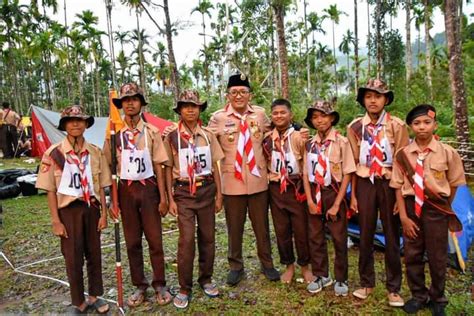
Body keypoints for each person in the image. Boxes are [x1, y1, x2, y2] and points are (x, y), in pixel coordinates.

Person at [390, 104, 466, 316]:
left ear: (435, 125)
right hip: (411, 209)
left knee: (437, 256)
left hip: (436, 211)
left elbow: (453, 184)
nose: (422, 127)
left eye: (426, 122)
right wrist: (404, 217)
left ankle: (438, 298)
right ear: (411, 127)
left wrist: (444, 207)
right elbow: (397, 186)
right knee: (412, 254)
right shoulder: (402, 155)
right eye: (416, 123)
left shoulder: (448, 153)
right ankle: (418, 295)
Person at [35, 105, 111, 314]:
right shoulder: (54, 153)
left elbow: (102, 185)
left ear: (86, 124)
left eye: (80, 120)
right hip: (68, 211)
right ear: (64, 125)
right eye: (70, 121)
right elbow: (50, 190)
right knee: (72, 257)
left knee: (94, 254)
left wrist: (104, 214)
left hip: (92, 208)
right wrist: (56, 220)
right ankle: (78, 301)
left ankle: (95, 295)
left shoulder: (94, 152)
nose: (75, 124)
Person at [103, 82, 172, 307]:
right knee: (132, 241)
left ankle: (159, 283)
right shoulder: (114, 135)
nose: (130, 103)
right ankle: (139, 285)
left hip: (149, 189)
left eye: (134, 99)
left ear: (141, 103)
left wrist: (163, 197)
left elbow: (160, 166)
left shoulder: (152, 132)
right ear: (121, 105)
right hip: (126, 190)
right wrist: (113, 200)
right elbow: (110, 169)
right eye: (125, 100)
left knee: (155, 239)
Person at [208, 72, 280, 285]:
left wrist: (297, 131)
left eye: (243, 92)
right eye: (234, 92)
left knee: (262, 227)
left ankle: (267, 263)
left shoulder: (259, 115)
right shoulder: (218, 118)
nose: (239, 96)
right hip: (232, 182)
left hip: (258, 181)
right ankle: (236, 266)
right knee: (234, 228)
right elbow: (204, 140)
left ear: (250, 94)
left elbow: (274, 132)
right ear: (227, 95)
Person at [347, 78, 409, 306]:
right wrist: (353, 195)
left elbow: (403, 162)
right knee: (365, 232)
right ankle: (366, 282)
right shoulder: (354, 127)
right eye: (368, 96)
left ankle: (394, 288)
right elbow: (353, 162)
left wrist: (399, 195)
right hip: (364, 183)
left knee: (392, 234)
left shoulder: (397, 125)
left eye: (378, 96)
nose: (373, 100)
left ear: (386, 99)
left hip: (389, 182)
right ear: (363, 100)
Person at [163, 90, 224, 309]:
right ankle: (184, 287)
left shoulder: (207, 135)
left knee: (208, 236)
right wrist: (169, 199)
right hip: (183, 193)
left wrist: (219, 194)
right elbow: (168, 168)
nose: (190, 109)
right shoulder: (171, 137)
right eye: (186, 106)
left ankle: (206, 279)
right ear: (179, 110)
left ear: (200, 109)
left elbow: (216, 165)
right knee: (186, 240)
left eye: (194, 106)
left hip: (206, 189)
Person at [302, 100, 356, 297]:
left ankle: (341, 277)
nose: (319, 120)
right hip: (315, 193)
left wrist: (336, 204)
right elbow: (305, 174)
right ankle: (320, 274)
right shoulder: (309, 145)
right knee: (315, 237)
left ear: (332, 117)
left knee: (339, 237)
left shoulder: (341, 143)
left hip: (334, 193)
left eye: (323, 116)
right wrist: (309, 200)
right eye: (315, 117)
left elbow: (348, 173)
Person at [262, 98, 313, 284]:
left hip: (296, 187)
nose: (279, 116)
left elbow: (306, 164)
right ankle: (288, 266)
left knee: (301, 230)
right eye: (275, 113)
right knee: (281, 230)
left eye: (283, 112)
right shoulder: (267, 139)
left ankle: (305, 266)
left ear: (290, 115)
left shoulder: (300, 136)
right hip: (276, 189)